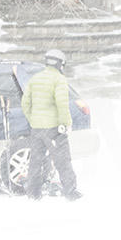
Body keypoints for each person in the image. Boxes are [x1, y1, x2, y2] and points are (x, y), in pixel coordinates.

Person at [21, 50, 81, 200]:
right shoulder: (59, 79)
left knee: (35, 161)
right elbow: (62, 104)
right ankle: (70, 191)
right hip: (54, 129)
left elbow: (25, 103)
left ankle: (33, 193)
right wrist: (66, 123)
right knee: (62, 161)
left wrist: (33, 119)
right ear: (61, 63)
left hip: (37, 129)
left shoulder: (35, 78)